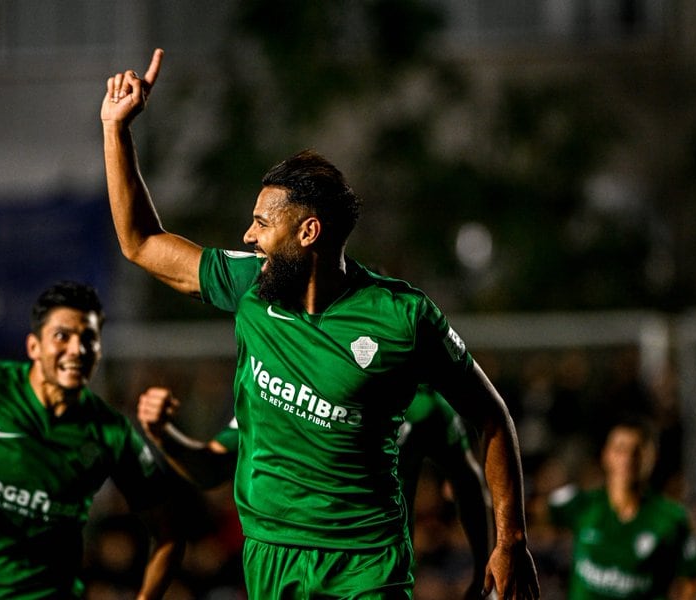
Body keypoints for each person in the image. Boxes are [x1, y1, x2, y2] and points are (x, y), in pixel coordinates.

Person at [101, 48, 538, 599]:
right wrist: (115, 130)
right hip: (271, 555)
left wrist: (511, 538)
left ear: (308, 234)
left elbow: (491, 417)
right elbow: (140, 242)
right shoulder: (250, 286)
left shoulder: (402, 317)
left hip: (366, 563)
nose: (248, 236)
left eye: (262, 222)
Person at [0, 281, 184, 599]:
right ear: (33, 346)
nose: (77, 349)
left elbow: (169, 532)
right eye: (62, 336)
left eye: (88, 338)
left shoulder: (111, 432)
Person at [136, 382, 495, 598]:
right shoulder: (272, 389)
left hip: (371, 578)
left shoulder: (420, 404)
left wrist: (484, 567)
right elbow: (210, 468)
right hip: (285, 576)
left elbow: (468, 481)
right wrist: (163, 435)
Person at [545, 414, 696, 599]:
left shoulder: (672, 518)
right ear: (606, 454)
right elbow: (529, 522)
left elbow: (693, 579)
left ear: (653, 457)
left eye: (637, 450)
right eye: (620, 449)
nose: (628, 458)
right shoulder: (582, 503)